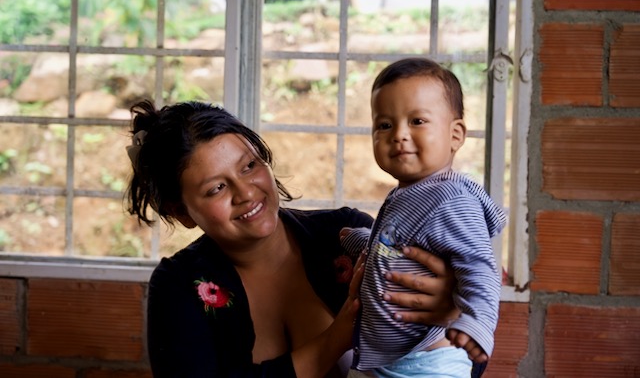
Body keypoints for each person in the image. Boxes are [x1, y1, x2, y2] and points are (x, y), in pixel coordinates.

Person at [125, 99, 461, 378]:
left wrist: (447, 315)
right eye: (217, 188)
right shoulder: (178, 286)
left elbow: (450, 364)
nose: (246, 193)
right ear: (181, 211)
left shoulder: (345, 236)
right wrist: (336, 338)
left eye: (249, 167)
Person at [340, 57, 506, 377]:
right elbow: (398, 247)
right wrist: (362, 241)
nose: (399, 134)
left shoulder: (451, 200)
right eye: (384, 125)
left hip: (428, 364)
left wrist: (477, 322)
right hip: (391, 361)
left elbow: (480, 267)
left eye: (417, 121)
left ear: (455, 135)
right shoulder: (412, 193)